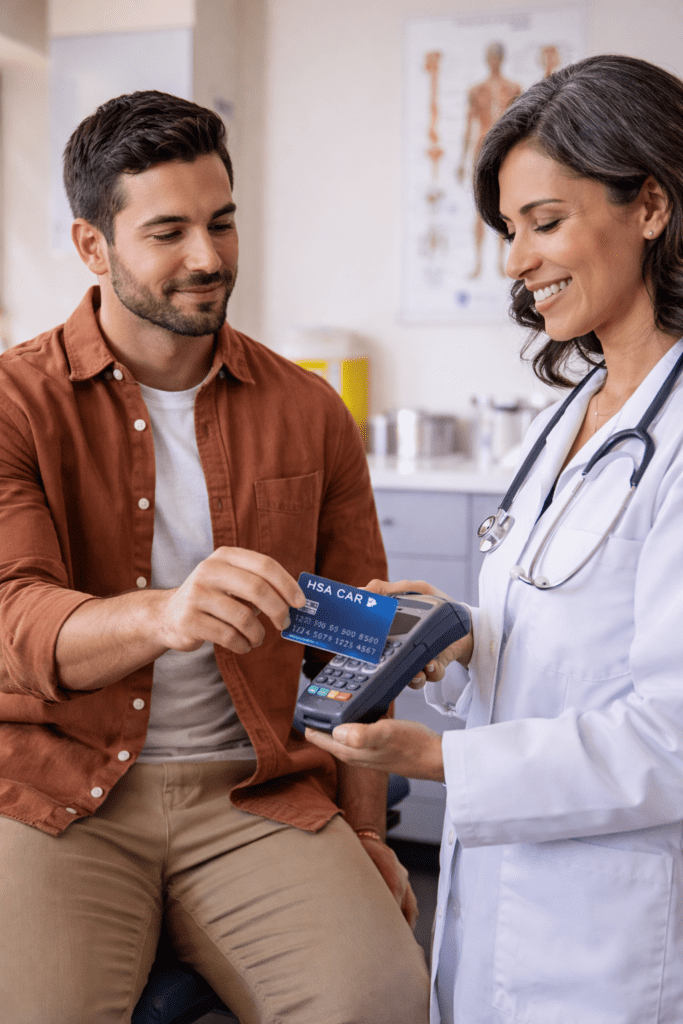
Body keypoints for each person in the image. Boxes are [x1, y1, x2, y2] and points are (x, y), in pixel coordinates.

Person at [0, 91, 430, 1024]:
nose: (209, 257)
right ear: (91, 246)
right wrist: (164, 612)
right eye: (169, 232)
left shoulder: (310, 411)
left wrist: (364, 828)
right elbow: (12, 620)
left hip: (255, 788)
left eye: (223, 223)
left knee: (384, 1000)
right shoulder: (15, 402)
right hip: (58, 786)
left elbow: (351, 650)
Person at [307, 54, 683, 1023]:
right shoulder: (570, 416)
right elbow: (568, 641)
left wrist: (435, 763)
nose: (514, 260)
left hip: (615, 944)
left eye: (544, 223)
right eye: (508, 231)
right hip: (499, 918)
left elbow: (668, 738)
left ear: (648, 204)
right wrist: (460, 632)